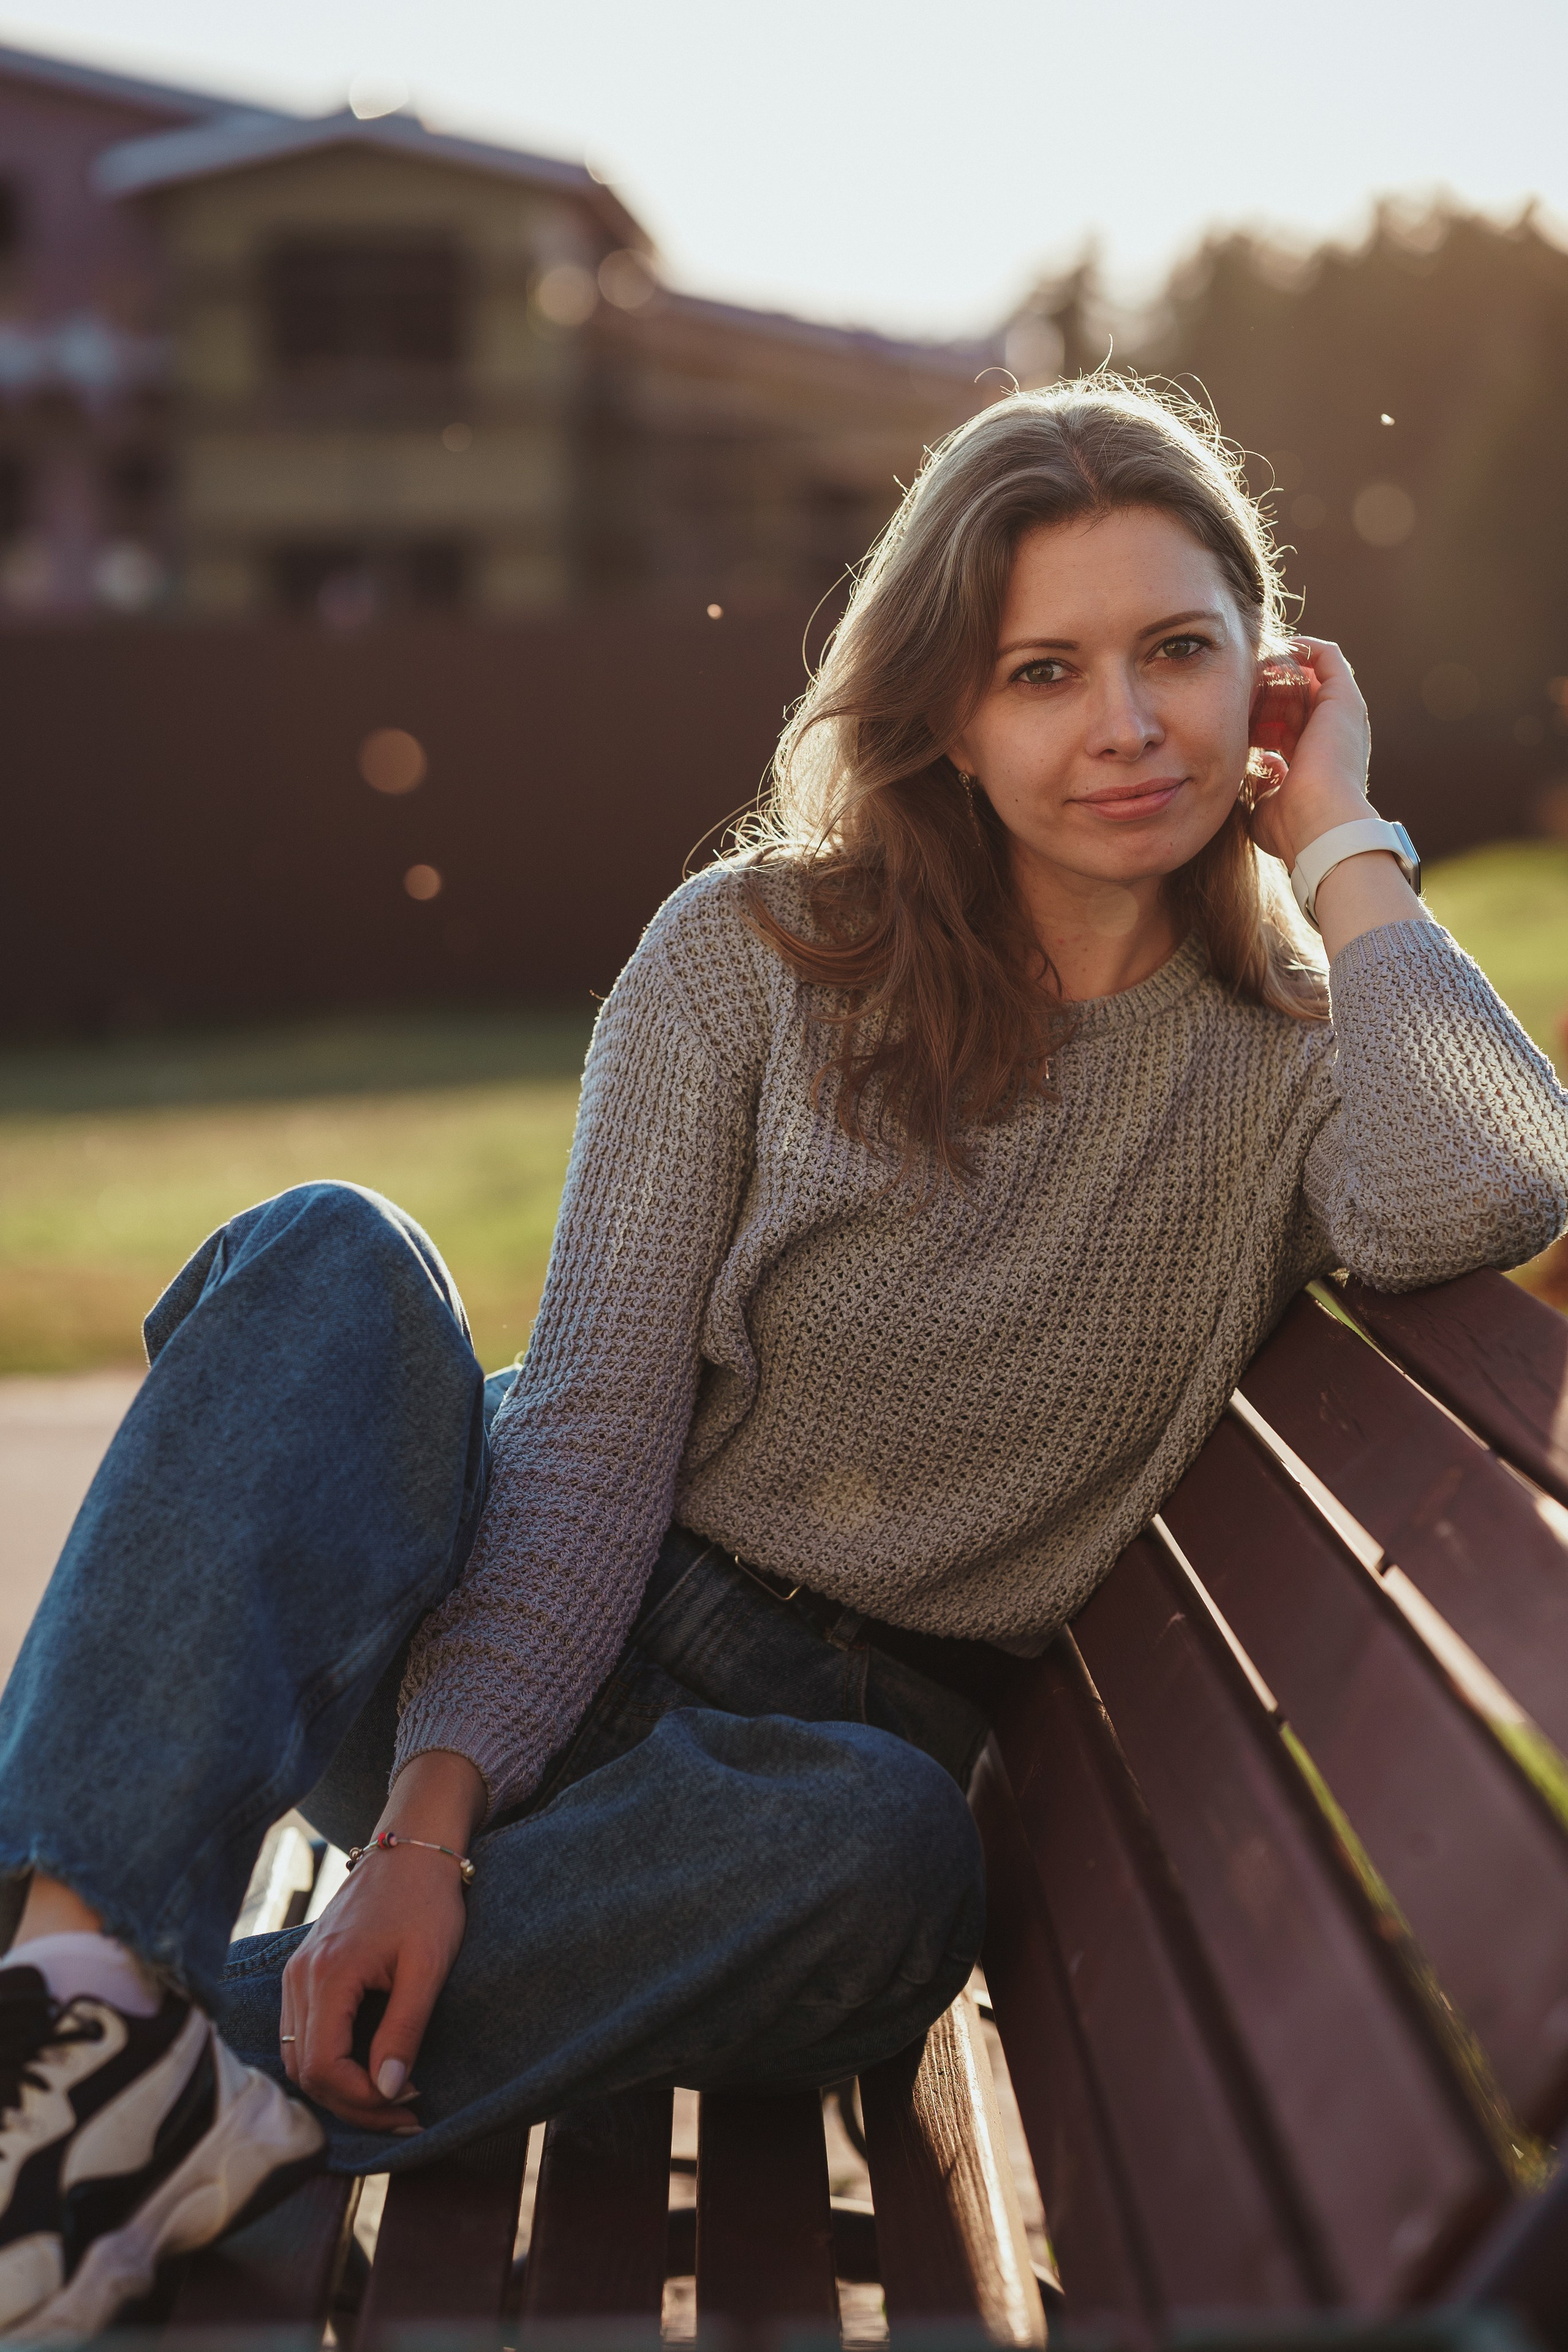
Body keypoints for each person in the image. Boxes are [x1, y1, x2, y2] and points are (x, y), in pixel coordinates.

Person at [3, 379, 1567, 2337]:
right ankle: (63, 2003)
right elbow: (582, 1441)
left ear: (1266, 677)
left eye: (1182, 651)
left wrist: (1342, 832)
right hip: (505, 1649)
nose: (1127, 723)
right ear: (946, 718)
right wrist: (426, 1818)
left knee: (892, 1856)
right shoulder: (747, 958)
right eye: (1045, 671)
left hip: (790, 1803)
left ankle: (175, 2085)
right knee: (331, 1255)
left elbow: (1494, 1183)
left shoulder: (1287, 1058)